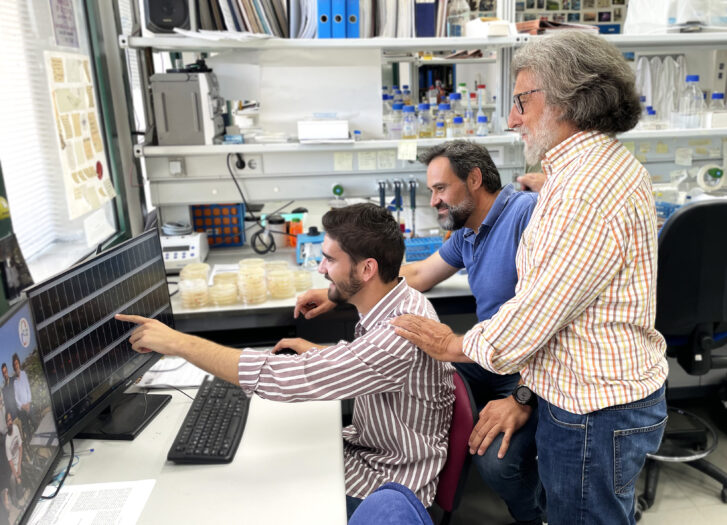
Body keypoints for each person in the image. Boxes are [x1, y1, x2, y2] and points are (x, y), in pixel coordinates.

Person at [391, 31, 668, 525]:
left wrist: (451, 343)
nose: (513, 118)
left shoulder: (582, 193)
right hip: (597, 394)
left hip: (592, 409)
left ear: (569, 98)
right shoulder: (595, 169)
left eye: (522, 100)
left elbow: (536, 313)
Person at [117, 203, 455, 519]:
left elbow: (282, 379)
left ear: (368, 269)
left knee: (244, 499)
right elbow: (370, 364)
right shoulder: (402, 298)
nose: (321, 269)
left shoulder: (399, 335)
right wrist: (323, 354)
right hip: (368, 450)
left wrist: (177, 343)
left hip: (387, 484)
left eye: (329, 260)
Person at [295, 141, 543, 524]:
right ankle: (412, 470)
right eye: (431, 191)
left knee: (498, 464)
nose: (433, 201)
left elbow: (549, 318)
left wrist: (522, 398)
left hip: (532, 366)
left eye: (440, 189)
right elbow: (418, 274)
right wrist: (339, 290)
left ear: (474, 179)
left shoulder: (525, 215)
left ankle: (539, 516)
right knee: (422, 376)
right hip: (489, 356)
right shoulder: (470, 232)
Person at [11, 355, 32, 445]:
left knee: (34, 421)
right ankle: (32, 444)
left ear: (19, 363)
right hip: (22, 408)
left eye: (17, 363)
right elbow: (15, 397)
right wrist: (22, 406)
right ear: (13, 366)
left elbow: (28, 389)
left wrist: (28, 403)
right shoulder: (14, 381)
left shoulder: (24, 374)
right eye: (14, 364)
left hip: (29, 405)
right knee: (26, 427)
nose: (16, 366)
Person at [4, 412, 21, 506]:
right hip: (11, 463)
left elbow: (20, 447)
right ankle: (14, 497)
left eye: (10, 420)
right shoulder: (6, 441)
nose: (10, 422)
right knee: (12, 478)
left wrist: (19, 466)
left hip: (17, 458)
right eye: (8, 421)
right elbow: (10, 462)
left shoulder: (15, 428)